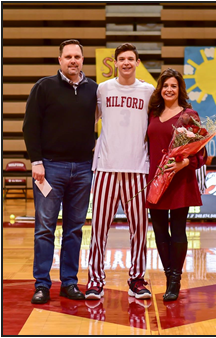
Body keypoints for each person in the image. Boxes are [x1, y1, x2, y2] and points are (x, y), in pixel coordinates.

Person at [23, 39, 98, 304]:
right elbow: (30, 127)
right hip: (50, 167)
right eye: (68, 57)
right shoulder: (44, 87)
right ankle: (42, 284)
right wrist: (36, 162)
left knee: (75, 229)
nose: (73, 61)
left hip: (83, 169)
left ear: (83, 60)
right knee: (44, 228)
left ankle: (69, 283)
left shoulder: (94, 90)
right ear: (59, 60)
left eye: (77, 56)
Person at [85, 43, 155, 300]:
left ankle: (136, 279)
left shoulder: (149, 91)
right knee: (98, 228)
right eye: (122, 59)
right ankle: (95, 280)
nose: (126, 63)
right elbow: (87, 121)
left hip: (137, 169)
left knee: (139, 228)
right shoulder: (102, 89)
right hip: (105, 167)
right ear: (114, 63)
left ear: (137, 63)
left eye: (131, 59)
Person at [146, 68, 207, 301]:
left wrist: (185, 164)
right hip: (156, 180)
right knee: (159, 230)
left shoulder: (189, 115)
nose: (169, 89)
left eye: (173, 86)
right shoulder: (152, 113)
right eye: (165, 85)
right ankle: (168, 273)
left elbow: (200, 150)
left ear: (179, 89)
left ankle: (175, 281)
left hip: (180, 179)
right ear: (160, 89)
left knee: (178, 228)